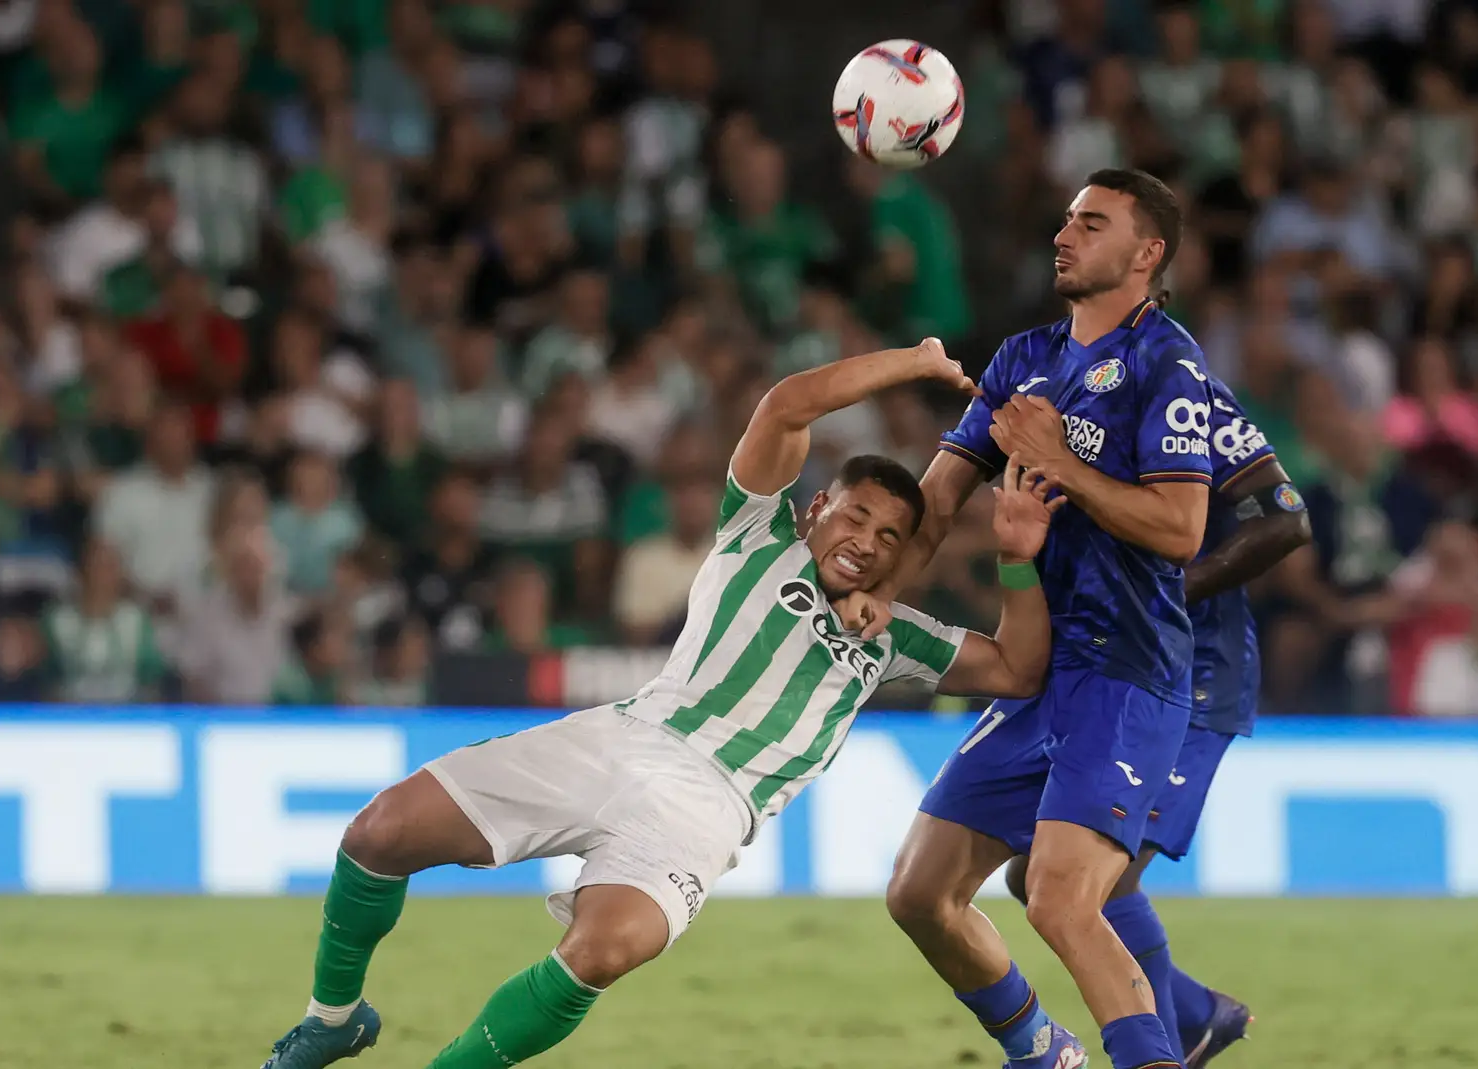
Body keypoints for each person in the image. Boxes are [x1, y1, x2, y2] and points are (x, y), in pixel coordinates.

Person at [259, 338, 1064, 1069]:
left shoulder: (897, 638)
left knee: (602, 950)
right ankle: (333, 1018)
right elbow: (787, 405)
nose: (869, 540)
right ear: (818, 509)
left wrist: (1017, 557)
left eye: (892, 537)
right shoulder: (755, 535)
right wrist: (915, 362)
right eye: (857, 515)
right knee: (378, 832)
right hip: (621, 735)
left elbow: (1021, 669)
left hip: (706, 806)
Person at [844, 168, 1217, 1069]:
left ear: (1147, 252)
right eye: (1065, 220)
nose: (1065, 235)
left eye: (1092, 224)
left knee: (1056, 898)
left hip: (1127, 674)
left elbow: (1182, 528)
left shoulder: (1170, 366)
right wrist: (876, 581)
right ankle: (1043, 1052)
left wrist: (1063, 464)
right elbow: (936, 501)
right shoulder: (1020, 361)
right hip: (1036, 671)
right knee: (919, 891)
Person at [998, 364, 1310, 1064]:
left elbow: (1287, 520)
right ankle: (1195, 1016)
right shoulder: (1062, 384)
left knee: (1088, 883)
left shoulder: (1187, 396)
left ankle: (1168, 1042)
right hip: (1105, 665)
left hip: (1192, 671)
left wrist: (1170, 593)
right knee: (1037, 877)